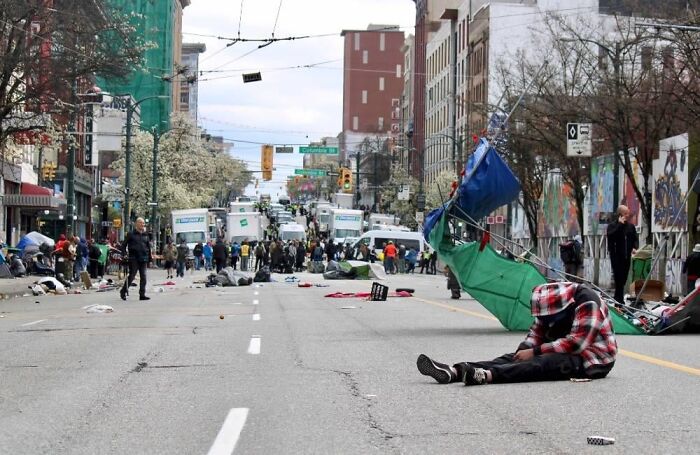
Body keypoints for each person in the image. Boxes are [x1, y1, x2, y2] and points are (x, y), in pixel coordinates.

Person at [417, 282, 617, 386]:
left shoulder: (587, 302)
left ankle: (484, 376)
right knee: (513, 358)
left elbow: (577, 344)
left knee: (542, 364)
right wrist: (524, 349)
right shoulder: (550, 301)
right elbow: (537, 331)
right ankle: (456, 371)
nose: (545, 322)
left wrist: (535, 351)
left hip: (592, 359)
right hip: (563, 344)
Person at [607, 205, 639, 303]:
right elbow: (611, 236)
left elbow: (635, 238)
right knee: (618, 278)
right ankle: (619, 301)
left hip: (626, 257)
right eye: (625, 214)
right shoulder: (612, 226)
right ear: (620, 215)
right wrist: (619, 225)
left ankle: (618, 299)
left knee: (623, 278)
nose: (627, 215)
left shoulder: (630, 227)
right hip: (616, 256)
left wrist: (634, 247)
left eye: (628, 213)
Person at [120, 217, 152, 301]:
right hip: (134, 258)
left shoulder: (145, 235)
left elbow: (148, 247)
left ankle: (142, 294)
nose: (143, 225)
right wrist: (124, 254)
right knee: (132, 275)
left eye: (143, 223)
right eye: (141, 223)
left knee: (143, 277)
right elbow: (123, 245)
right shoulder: (131, 234)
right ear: (136, 224)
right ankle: (123, 291)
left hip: (143, 258)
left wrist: (150, 259)